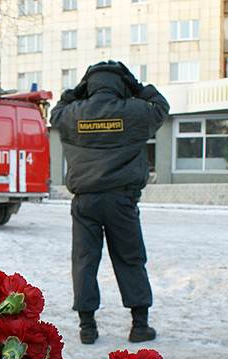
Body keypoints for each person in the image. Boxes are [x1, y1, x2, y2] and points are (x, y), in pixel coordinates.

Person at [50, 61, 170, 344]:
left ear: (88, 85)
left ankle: (87, 327)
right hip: (121, 200)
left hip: (85, 201)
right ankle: (139, 325)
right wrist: (137, 87)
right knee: (130, 258)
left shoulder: (72, 115)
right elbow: (160, 106)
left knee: (84, 260)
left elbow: (56, 113)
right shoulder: (136, 112)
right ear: (122, 84)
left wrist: (78, 93)